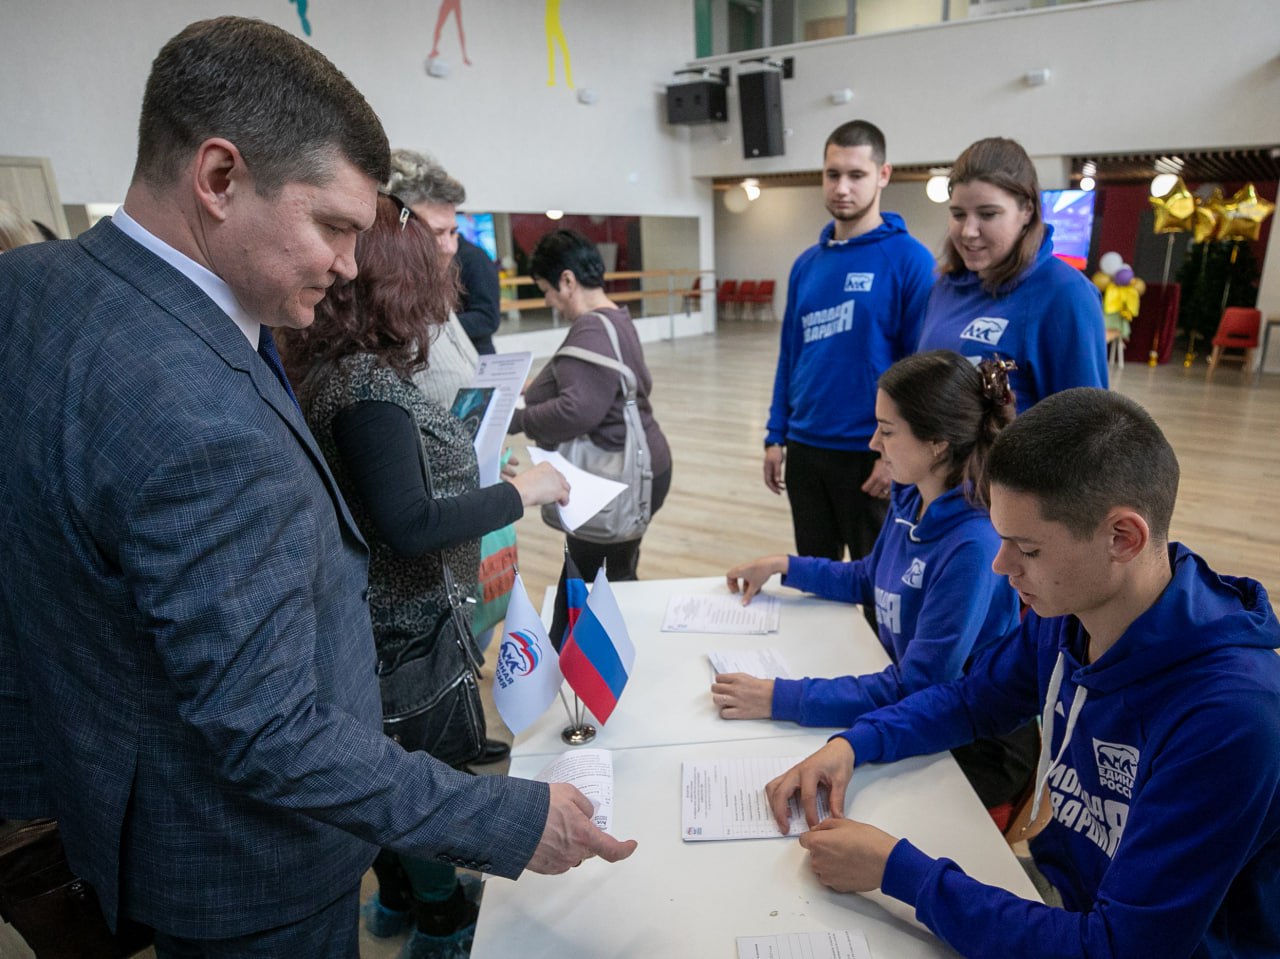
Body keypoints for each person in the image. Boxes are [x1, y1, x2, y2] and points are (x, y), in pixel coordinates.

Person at [0, 17, 633, 957]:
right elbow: (269, 731)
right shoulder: (198, 413)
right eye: (334, 225)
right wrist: (503, 819)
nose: (348, 265)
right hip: (246, 859)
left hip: (112, 795)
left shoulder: (32, 286)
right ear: (219, 178)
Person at [765, 388, 1280, 959]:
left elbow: (1117, 948)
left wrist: (900, 871)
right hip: (1072, 899)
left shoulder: (1232, 716)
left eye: (1026, 548)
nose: (1000, 564)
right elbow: (971, 702)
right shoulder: (1072, 610)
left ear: (1123, 537)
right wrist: (853, 744)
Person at [282, 193, 569, 958]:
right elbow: (409, 524)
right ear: (398, 282)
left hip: (379, 626)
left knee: (388, 773)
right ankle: (439, 917)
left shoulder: (341, 370)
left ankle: (404, 899)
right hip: (402, 630)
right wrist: (524, 491)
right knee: (416, 779)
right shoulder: (366, 389)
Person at [716, 351, 1034, 825]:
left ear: (937, 444)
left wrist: (782, 698)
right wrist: (784, 566)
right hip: (910, 710)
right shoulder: (912, 494)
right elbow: (870, 577)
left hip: (969, 749)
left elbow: (919, 686)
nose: (872, 443)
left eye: (887, 431)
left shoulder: (972, 545)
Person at [764, 120, 936, 582]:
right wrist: (774, 434)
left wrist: (894, 455)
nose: (842, 187)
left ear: (883, 175)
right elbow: (790, 354)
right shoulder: (807, 264)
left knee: (876, 587)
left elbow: (919, 371)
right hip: (805, 448)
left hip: (869, 454)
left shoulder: (909, 260)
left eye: (856, 175)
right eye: (832, 173)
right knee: (816, 579)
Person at [510, 228, 672, 582]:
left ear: (567, 281)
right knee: (613, 573)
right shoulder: (616, 318)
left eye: (546, 290)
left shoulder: (591, 329)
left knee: (586, 583)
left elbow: (576, 410)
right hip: (644, 465)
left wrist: (518, 419)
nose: (549, 302)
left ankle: (579, 639)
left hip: (614, 476)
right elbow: (587, 381)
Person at [916, 137, 1108, 412]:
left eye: (988, 214)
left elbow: (1088, 426)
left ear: (1027, 210)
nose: (969, 230)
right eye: (958, 215)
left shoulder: (1065, 293)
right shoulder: (945, 287)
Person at [386, 149, 497, 392]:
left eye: (453, 232)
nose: (449, 248)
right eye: (435, 233)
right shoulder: (380, 313)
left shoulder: (439, 294)